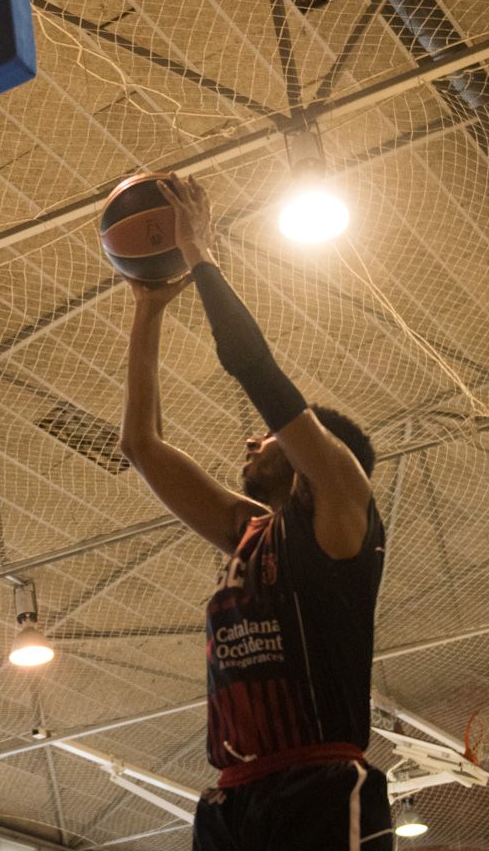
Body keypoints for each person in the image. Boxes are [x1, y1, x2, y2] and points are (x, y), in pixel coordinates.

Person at [118, 175, 391, 850]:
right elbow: (140, 445)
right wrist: (146, 309)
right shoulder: (247, 529)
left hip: (319, 784)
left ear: (311, 450)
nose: (251, 438)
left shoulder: (341, 509)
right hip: (232, 798)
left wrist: (198, 251)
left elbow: (251, 364)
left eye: (269, 435)